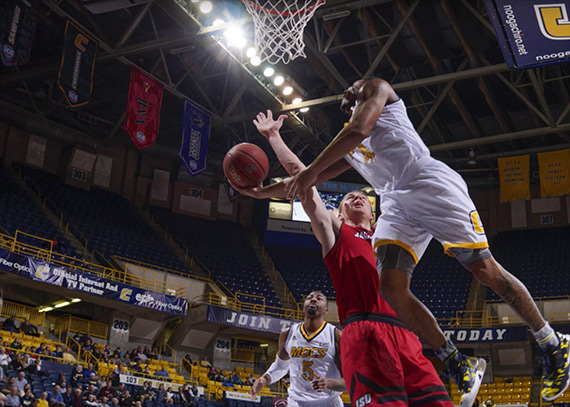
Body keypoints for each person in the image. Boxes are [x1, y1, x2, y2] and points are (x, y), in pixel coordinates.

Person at [276, 77, 569, 403]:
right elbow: (309, 178)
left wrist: (310, 170)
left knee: (484, 270)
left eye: (352, 85)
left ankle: (552, 343)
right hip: (395, 203)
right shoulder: (350, 149)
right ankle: (457, 362)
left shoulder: (377, 89)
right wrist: (259, 185)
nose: (349, 90)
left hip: (427, 182)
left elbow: (355, 132)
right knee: (390, 287)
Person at [238, 112, 454, 407]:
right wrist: (274, 137)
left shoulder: (388, 234)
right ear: (338, 215)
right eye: (348, 198)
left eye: (362, 196)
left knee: (439, 403)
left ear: (374, 213)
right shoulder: (336, 233)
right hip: (364, 330)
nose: (356, 196)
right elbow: (305, 181)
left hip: (404, 331)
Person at [250, 290, 343, 407]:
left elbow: (348, 381)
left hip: (328, 402)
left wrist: (328, 383)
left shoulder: (335, 335)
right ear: (303, 308)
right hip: (296, 402)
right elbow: (281, 366)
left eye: (319, 298)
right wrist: (264, 379)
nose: (313, 299)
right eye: (310, 298)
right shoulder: (287, 334)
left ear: (326, 310)